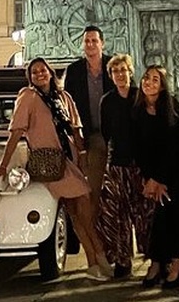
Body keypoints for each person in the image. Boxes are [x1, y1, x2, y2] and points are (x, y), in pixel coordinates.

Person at [0, 57, 113, 281]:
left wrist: (82, 154)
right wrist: (3, 164)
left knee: (77, 216)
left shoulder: (63, 96)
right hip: (51, 164)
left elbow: (76, 129)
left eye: (42, 70)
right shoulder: (28, 97)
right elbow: (16, 132)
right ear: (30, 78)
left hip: (69, 161)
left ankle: (94, 263)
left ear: (50, 72)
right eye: (34, 72)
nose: (39, 75)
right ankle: (100, 258)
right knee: (84, 207)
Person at [135, 65, 179, 290]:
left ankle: (175, 265)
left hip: (178, 172)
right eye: (146, 78)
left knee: (171, 213)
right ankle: (156, 262)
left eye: (155, 80)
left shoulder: (170, 109)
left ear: (162, 86)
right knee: (157, 219)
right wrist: (149, 178)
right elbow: (140, 149)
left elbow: (174, 148)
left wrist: (160, 179)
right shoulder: (138, 111)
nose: (149, 83)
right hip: (155, 174)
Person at [96, 54, 154, 279]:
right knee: (115, 214)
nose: (120, 74)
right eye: (115, 71)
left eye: (123, 70)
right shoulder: (107, 101)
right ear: (111, 76)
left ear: (131, 72)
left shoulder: (140, 97)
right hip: (117, 163)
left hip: (139, 164)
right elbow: (105, 132)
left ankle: (152, 259)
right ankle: (122, 259)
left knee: (143, 214)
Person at [64, 25, 115, 219]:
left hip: (113, 136)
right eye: (87, 41)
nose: (91, 44)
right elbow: (68, 104)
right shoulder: (74, 71)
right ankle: (95, 226)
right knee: (92, 186)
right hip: (89, 136)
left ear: (102, 43)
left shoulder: (113, 66)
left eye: (94, 40)